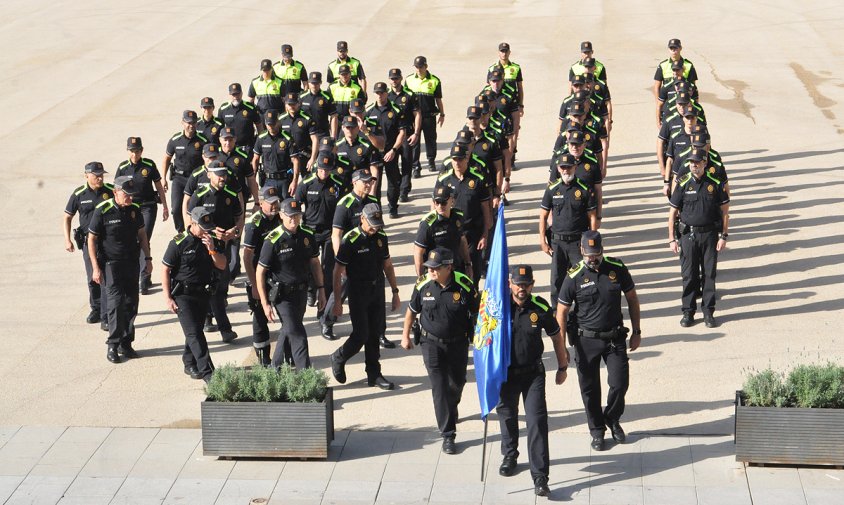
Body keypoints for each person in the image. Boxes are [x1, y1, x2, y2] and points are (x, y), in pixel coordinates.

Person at [556, 231, 641, 451]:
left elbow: (632, 298)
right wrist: (562, 347)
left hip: (614, 338)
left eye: (596, 253)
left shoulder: (617, 268)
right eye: (589, 254)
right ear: (582, 250)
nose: (593, 258)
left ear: (602, 249)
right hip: (586, 341)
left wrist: (637, 331)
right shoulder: (574, 275)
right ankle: (596, 431)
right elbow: (562, 311)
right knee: (590, 389)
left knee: (620, 383)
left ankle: (612, 417)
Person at [497, 265, 568, 497]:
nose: (522, 289)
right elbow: (482, 336)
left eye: (526, 285)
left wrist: (562, 365)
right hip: (505, 374)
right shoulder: (497, 306)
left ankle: (540, 477)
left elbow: (556, 335)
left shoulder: (540, 307)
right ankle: (510, 455)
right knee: (507, 415)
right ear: (510, 284)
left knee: (537, 422)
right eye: (518, 284)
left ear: (532, 285)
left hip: (532, 374)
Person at [400, 248, 479, 454]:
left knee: (457, 383)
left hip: (457, 344)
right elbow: (411, 311)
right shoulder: (423, 285)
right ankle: (448, 434)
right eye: (429, 268)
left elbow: (478, 312)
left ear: (448, 268)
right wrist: (405, 335)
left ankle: (451, 408)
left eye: (436, 268)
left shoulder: (463, 284)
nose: (431, 271)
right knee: (439, 387)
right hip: (430, 343)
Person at [329, 203, 400, 391]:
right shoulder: (350, 240)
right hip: (358, 291)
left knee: (375, 333)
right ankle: (339, 357)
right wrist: (337, 301)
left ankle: (374, 374)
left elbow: (388, 265)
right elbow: (337, 272)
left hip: (377, 290)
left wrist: (395, 291)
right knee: (361, 334)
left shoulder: (381, 237)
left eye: (377, 223)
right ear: (362, 219)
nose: (375, 227)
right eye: (371, 223)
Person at [87, 176, 151, 363]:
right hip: (110, 264)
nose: (130, 198)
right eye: (126, 194)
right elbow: (91, 239)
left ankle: (126, 343)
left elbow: (142, 235)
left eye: (132, 195)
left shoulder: (134, 210)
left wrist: (147, 258)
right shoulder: (103, 210)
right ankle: (113, 345)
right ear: (115, 192)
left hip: (132, 263)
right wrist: (95, 268)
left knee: (131, 303)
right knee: (115, 305)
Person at [256, 198, 325, 368]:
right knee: (298, 334)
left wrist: (321, 289)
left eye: (297, 215)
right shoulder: (273, 240)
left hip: (301, 292)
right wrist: (265, 304)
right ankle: (306, 375)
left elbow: (315, 263)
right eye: (290, 216)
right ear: (281, 216)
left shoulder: (307, 236)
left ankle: (274, 370)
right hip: (282, 297)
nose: (294, 220)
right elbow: (260, 272)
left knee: (288, 331)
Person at [162, 206, 226, 382]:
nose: (206, 232)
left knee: (194, 331)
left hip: (203, 293)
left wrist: (212, 249)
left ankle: (189, 360)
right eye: (203, 228)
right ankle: (209, 373)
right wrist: (167, 297)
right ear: (192, 223)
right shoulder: (178, 243)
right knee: (195, 334)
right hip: (183, 295)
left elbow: (222, 265)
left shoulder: (211, 239)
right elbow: (165, 269)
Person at [668, 148, 730, 328]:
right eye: (691, 163)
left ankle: (709, 312)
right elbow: (672, 213)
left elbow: (725, 212)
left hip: (710, 235)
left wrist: (723, 236)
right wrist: (672, 238)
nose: (693, 166)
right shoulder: (683, 183)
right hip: (688, 236)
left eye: (697, 162)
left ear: (704, 163)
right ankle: (688, 312)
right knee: (689, 275)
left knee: (709, 275)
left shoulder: (714, 183)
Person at [186, 161, 243, 343]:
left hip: (222, 247)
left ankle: (222, 326)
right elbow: (191, 222)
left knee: (220, 286)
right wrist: (211, 232)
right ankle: (217, 324)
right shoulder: (200, 195)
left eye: (224, 174)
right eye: (218, 174)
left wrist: (235, 232)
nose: (222, 178)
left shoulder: (230, 194)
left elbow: (239, 216)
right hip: (203, 249)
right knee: (208, 288)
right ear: (209, 175)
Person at [321, 168, 379, 340]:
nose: (369, 184)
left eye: (370, 181)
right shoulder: (344, 204)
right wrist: (341, 261)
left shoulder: (373, 201)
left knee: (375, 292)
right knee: (342, 288)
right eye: (365, 181)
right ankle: (327, 321)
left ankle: (379, 331)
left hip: (368, 253)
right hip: (349, 254)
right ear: (355, 183)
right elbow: (336, 235)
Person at [539, 153, 598, 309]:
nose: (566, 170)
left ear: (575, 168)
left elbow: (592, 217)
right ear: (558, 169)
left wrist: (590, 243)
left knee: (582, 278)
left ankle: (582, 309)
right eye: (562, 167)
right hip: (557, 243)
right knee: (556, 280)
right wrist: (542, 241)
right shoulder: (552, 189)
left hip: (577, 244)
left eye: (569, 167)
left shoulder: (584, 189)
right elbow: (543, 216)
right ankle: (556, 311)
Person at [115, 136, 169, 295]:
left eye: (137, 151)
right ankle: (138, 272)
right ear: (127, 151)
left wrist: (165, 206)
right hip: (130, 207)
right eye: (132, 151)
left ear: (142, 150)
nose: (134, 154)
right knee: (132, 240)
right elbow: (117, 190)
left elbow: (159, 186)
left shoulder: (149, 165)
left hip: (147, 206)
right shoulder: (123, 167)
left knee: (144, 237)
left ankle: (144, 277)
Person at [63, 162, 114, 326]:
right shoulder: (79, 194)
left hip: (107, 241)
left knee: (106, 278)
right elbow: (67, 217)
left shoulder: (110, 191)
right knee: (93, 277)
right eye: (96, 175)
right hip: (88, 242)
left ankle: (106, 315)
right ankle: (96, 308)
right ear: (86, 176)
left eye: (101, 175)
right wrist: (67, 239)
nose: (100, 178)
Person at [436, 143, 491, 285]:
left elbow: (486, 208)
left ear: (466, 159)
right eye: (454, 159)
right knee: (451, 271)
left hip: (473, 233)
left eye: (460, 159)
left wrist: (485, 234)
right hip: (451, 232)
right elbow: (435, 204)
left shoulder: (478, 179)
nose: (457, 162)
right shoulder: (444, 180)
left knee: (474, 271)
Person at [295, 153, 343, 311]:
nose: (324, 172)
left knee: (328, 267)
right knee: (310, 265)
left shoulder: (337, 183)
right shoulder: (306, 183)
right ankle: (311, 290)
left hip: (330, 232)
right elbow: (296, 204)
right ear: (317, 167)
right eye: (322, 169)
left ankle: (325, 303)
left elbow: (342, 207)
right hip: (311, 232)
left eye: (327, 170)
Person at [243, 186, 282, 366]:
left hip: (279, 274)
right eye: (271, 203)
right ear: (262, 203)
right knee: (260, 317)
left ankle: (284, 354)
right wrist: (254, 285)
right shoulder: (254, 224)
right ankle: (263, 357)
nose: (275, 206)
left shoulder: (281, 219)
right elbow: (247, 256)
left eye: (276, 202)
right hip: (261, 276)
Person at [365, 81, 407, 216]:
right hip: (374, 153)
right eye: (377, 93)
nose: (379, 96)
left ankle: (393, 206)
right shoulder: (369, 111)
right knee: (375, 183)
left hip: (390, 151)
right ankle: (376, 210)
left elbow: (402, 133)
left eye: (382, 93)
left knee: (393, 181)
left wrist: (394, 150)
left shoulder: (396, 109)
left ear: (387, 93)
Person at [162, 110, 207, 232]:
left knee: (196, 208)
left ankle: (197, 230)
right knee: (176, 208)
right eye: (188, 122)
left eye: (193, 122)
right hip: (179, 178)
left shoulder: (203, 140)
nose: (191, 125)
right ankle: (181, 231)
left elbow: (209, 159)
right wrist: (164, 178)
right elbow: (167, 158)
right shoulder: (175, 140)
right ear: (182, 122)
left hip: (196, 179)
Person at [413, 185, 472, 279]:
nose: (440, 206)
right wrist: (420, 278)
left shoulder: (458, 217)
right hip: (437, 272)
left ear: (451, 200)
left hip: (456, 268)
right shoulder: (427, 224)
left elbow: (462, 240)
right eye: (437, 202)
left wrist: (468, 264)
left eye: (443, 202)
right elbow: (418, 252)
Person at [405, 56, 444, 175]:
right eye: (416, 67)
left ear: (426, 66)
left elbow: (438, 99)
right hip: (413, 117)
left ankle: (431, 161)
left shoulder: (435, 81)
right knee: (414, 141)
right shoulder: (409, 79)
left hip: (429, 116)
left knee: (431, 139)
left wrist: (442, 114)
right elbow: (405, 99)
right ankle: (416, 166)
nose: (418, 69)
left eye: (420, 67)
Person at [387, 68, 421, 200]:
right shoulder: (387, 97)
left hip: (407, 135)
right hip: (393, 138)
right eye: (392, 78)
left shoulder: (409, 95)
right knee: (393, 166)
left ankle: (404, 191)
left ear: (401, 78)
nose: (394, 81)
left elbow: (417, 114)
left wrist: (416, 133)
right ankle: (401, 184)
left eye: (396, 78)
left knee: (407, 163)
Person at [252, 109, 298, 197]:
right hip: (267, 180)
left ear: (278, 122)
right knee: (269, 208)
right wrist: (253, 181)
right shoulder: (261, 138)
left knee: (285, 208)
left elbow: (295, 160)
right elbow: (255, 159)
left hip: (284, 180)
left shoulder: (287, 138)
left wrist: (294, 181)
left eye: (273, 124)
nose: (270, 127)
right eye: (268, 124)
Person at [279, 92, 319, 172]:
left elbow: (315, 139)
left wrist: (312, 159)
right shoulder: (280, 119)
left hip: (304, 156)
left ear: (298, 104)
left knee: (305, 183)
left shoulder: (307, 119)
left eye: (294, 104)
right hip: (287, 157)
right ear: (286, 105)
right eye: (289, 104)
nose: (291, 106)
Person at [219, 83, 262, 152]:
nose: (236, 97)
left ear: (242, 93)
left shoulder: (250, 107)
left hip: (248, 147)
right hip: (231, 148)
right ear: (229, 95)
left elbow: (259, 125)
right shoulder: (223, 109)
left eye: (237, 94)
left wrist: (260, 142)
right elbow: (220, 129)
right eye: (233, 94)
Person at [301, 71, 338, 138]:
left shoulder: (327, 97)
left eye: (316, 83)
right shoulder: (301, 97)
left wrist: (333, 136)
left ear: (320, 83)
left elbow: (334, 116)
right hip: (306, 134)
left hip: (322, 133)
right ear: (309, 83)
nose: (314, 85)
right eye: (312, 83)